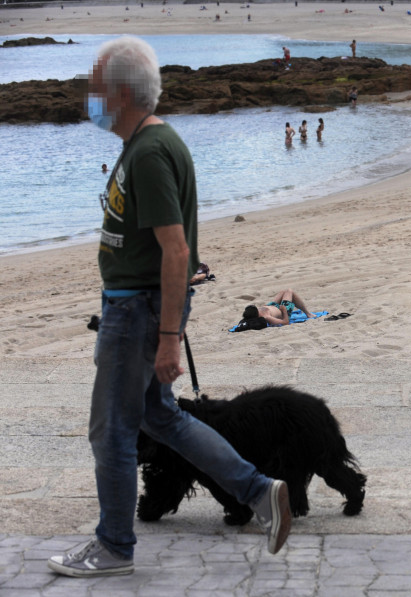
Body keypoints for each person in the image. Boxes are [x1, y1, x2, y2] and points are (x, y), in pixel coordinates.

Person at [47, 35, 291, 579]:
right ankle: (258, 491)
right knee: (161, 417)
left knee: (110, 430)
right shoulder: (143, 145)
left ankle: (113, 547)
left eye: (95, 84)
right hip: (134, 308)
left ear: (121, 92)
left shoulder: (153, 151)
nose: (88, 93)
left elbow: (177, 250)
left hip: (137, 312)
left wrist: (167, 337)